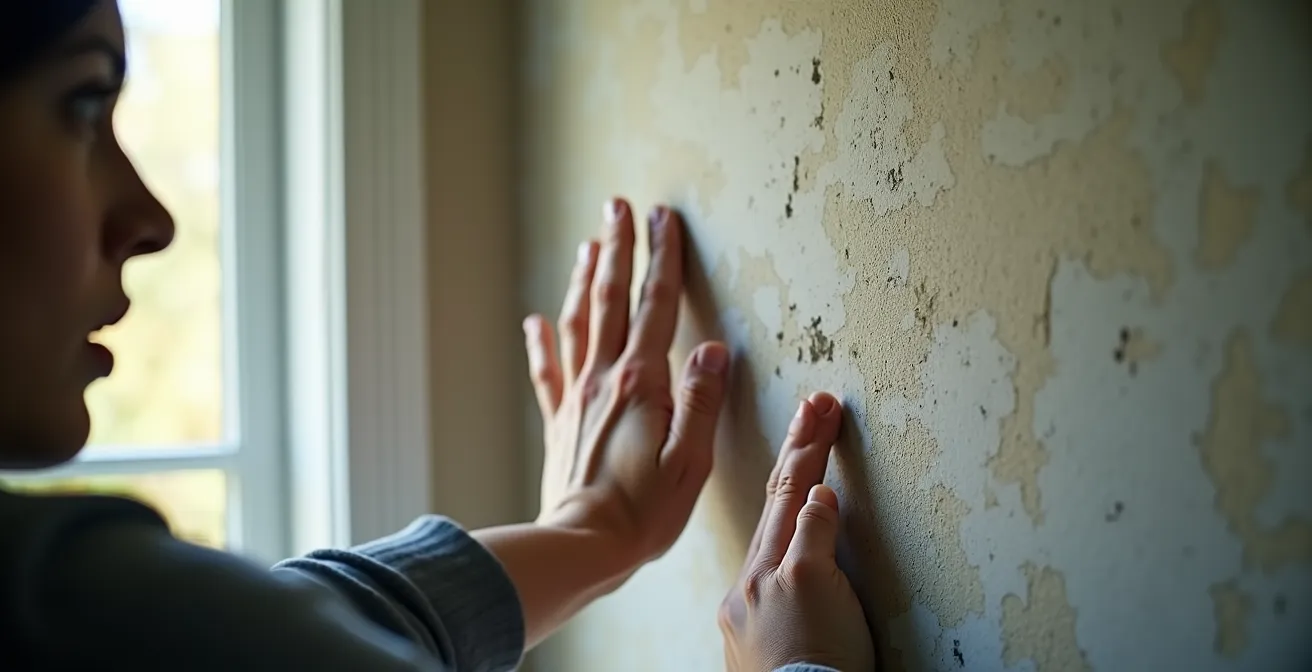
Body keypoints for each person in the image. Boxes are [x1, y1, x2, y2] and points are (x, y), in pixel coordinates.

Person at [0, 1, 875, 670]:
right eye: (81, 102)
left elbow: (270, 622)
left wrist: (592, 527)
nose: (150, 220)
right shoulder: (63, 611)